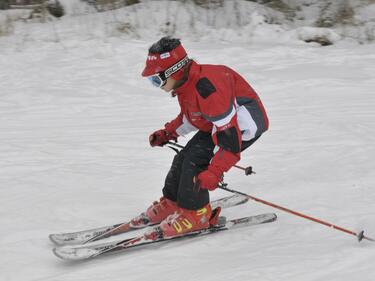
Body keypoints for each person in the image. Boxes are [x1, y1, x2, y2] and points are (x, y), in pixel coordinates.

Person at [135, 37, 269, 238]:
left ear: (175, 71)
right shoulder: (186, 85)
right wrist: (168, 133)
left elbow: (229, 141)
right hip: (218, 124)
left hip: (243, 125)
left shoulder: (208, 90)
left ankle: (197, 214)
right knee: (182, 158)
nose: (156, 85)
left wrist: (215, 171)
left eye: (157, 79)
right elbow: (192, 117)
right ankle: (173, 202)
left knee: (196, 161)